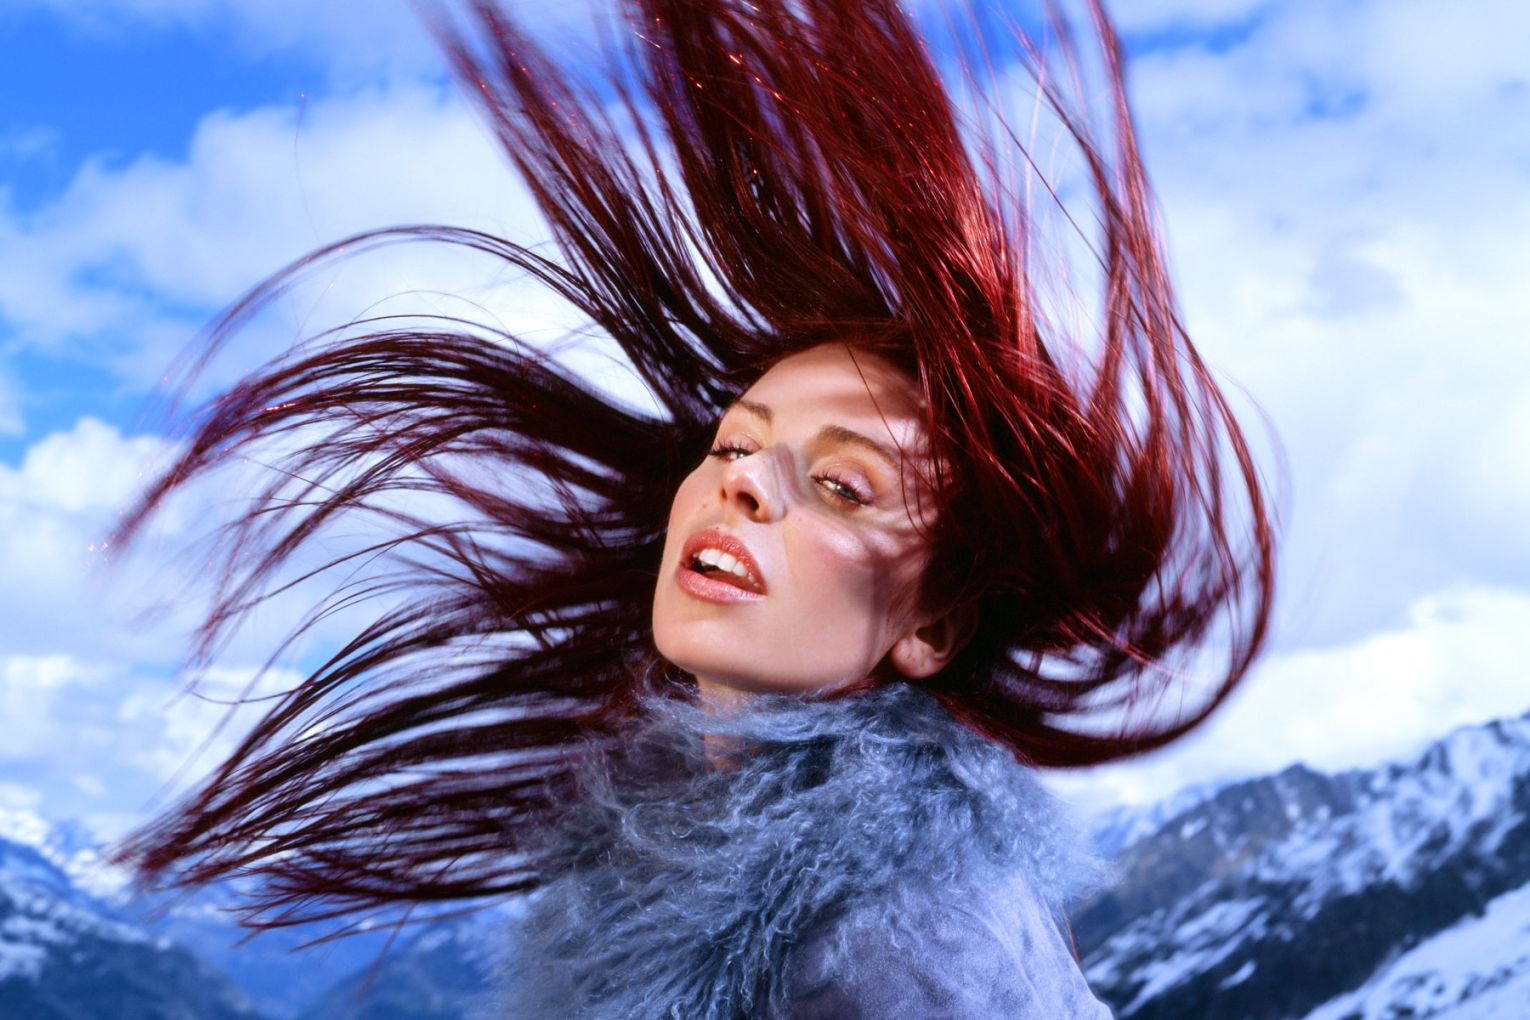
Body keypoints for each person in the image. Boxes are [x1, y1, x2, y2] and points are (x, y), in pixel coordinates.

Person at [115, 0, 1274, 1016]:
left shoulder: (918, 931)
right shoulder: (661, 848)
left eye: (840, 485)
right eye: (735, 442)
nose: (743, 483)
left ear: (932, 626)